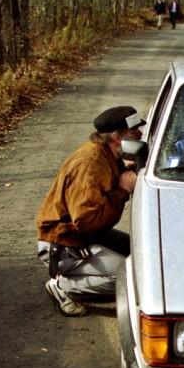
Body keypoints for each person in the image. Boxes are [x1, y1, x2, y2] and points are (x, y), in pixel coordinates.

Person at [36, 106, 145, 316]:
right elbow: (86, 221)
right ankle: (64, 288)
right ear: (116, 137)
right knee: (132, 275)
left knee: (141, 254)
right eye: (134, 131)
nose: (140, 134)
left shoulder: (106, 153)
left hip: (87, 235)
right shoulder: (92, 164)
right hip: (65, 243)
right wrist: (122, 189)